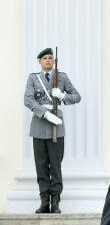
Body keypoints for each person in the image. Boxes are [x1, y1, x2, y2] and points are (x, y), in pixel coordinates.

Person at [24, 47, 81, 214]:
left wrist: (63, 97)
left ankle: (55, 200)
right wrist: (44, 113)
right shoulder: (33, 78)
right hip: (40, 126)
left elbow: (76, 96)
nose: (48, 60)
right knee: (41, 166)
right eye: (45, 58)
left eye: (50, 58)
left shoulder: (61, 77)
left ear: (54, 61)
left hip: (57, 126)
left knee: (55, 166)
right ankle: (44, 201)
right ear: (40, 62)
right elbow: (27, 99)